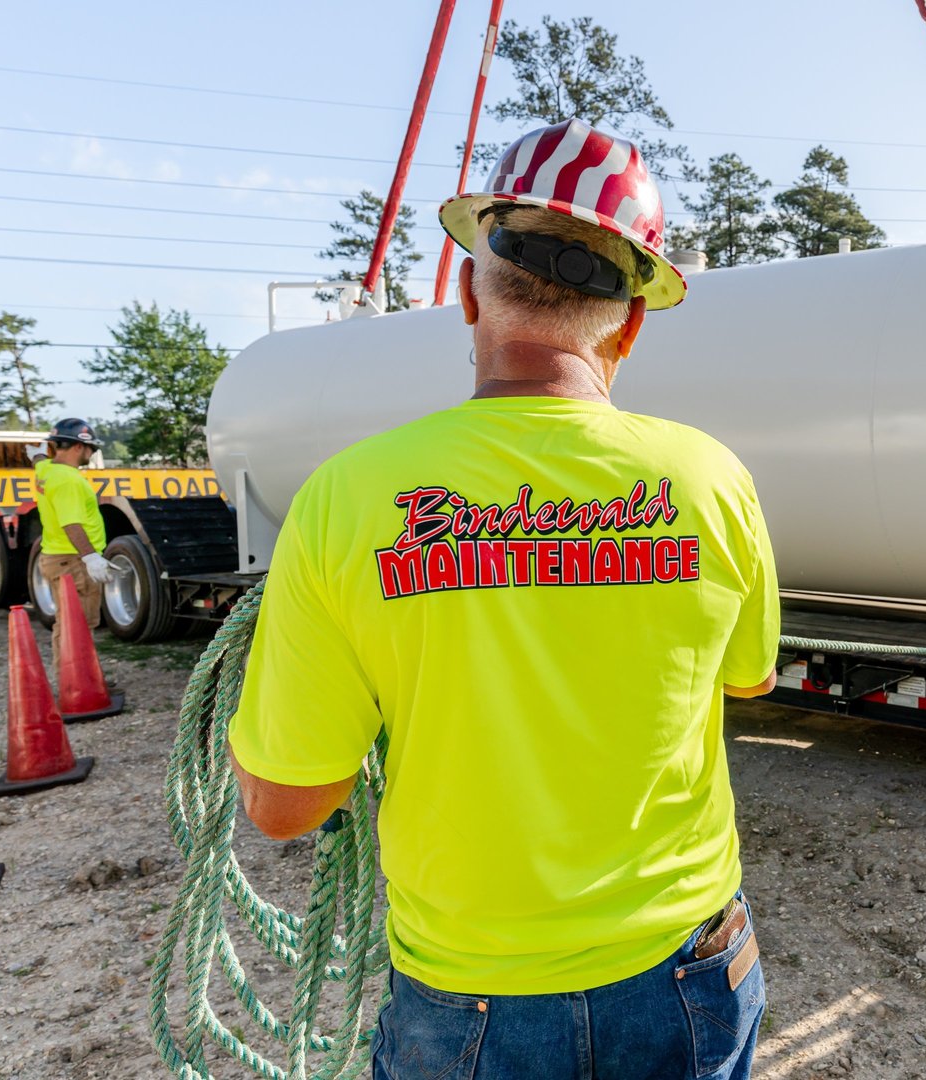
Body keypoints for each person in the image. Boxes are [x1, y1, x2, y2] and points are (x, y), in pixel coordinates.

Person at [227, 119, 780, 1080]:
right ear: (631, 326)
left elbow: (283, 806)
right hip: (687, 971)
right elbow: (751, 678)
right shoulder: (711, 480)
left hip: (470, 991)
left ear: (468, 298)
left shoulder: (349, 497)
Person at [31, 418, 112, 653]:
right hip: (73, 560)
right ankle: (77, 687)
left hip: (58, 557)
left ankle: (80, 681)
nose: (92, 453)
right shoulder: (69, 480)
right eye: (92, 448)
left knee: (69, 622)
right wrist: (91, 557)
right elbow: (71, 524)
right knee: (78, 625)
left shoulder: (47, 470)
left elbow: (39, 463)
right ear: (79, 446)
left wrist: (37, 456)